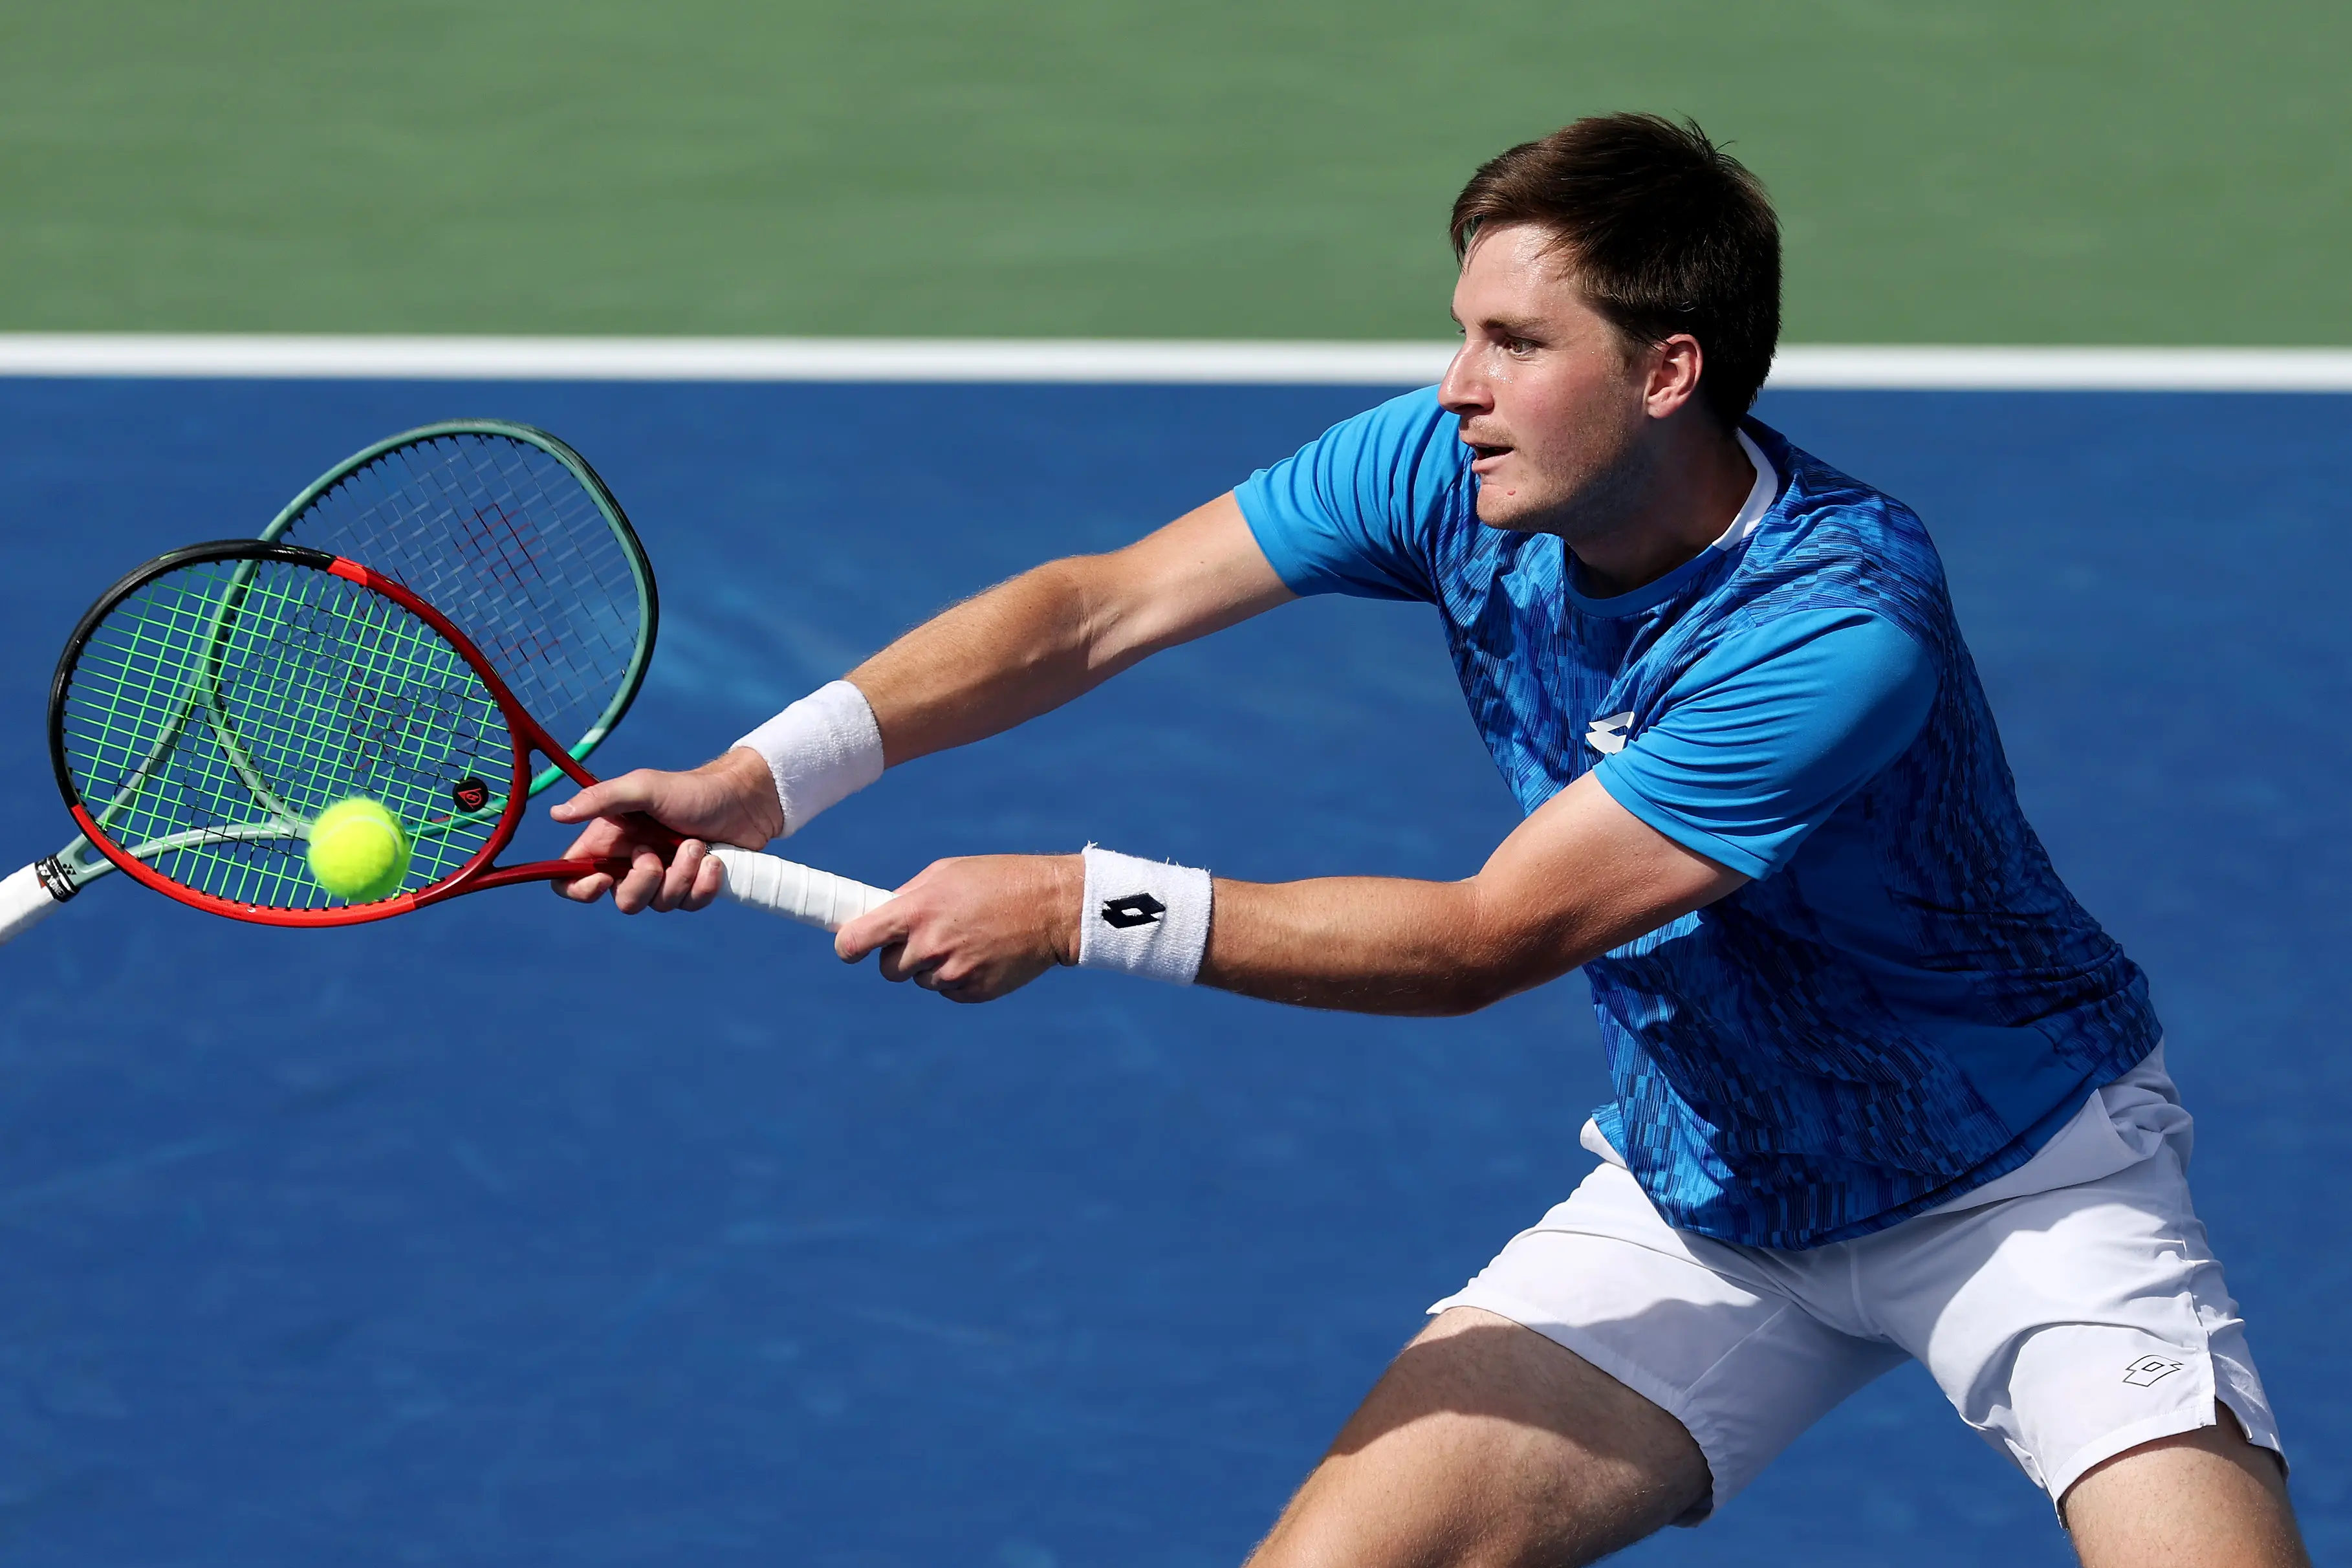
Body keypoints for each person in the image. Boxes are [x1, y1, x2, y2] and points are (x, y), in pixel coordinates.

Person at [548, 114, 2309, 1567]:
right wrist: (764, 780)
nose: (1455, 384)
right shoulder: (1441, 467)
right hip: (1708, 1199)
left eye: (1517, 344)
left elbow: (1486, 942)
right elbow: (1101, 608)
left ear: (1668, 371)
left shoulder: (1835, 628)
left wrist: (1085, 904)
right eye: (1461, 329)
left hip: (2017, 1183)